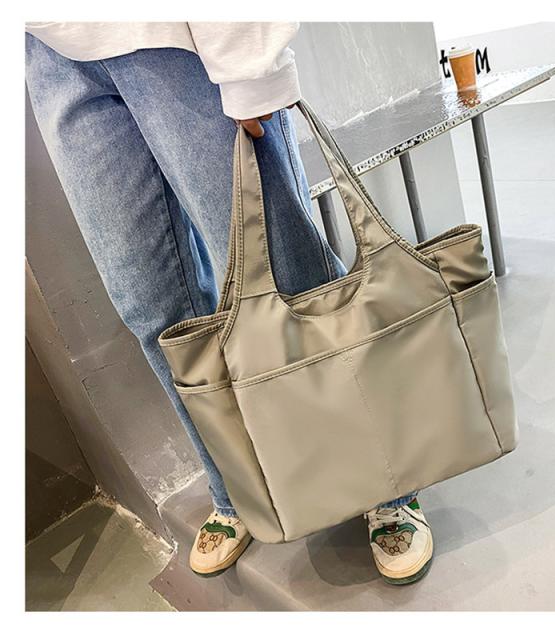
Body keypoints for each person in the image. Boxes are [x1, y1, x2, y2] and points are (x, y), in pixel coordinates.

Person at [25, 22, 433, 585]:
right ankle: (235, 487)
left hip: (173, 41)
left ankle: (384, 483)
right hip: (51, 53)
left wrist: (248, 68)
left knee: (289, 278)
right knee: (153, 310)